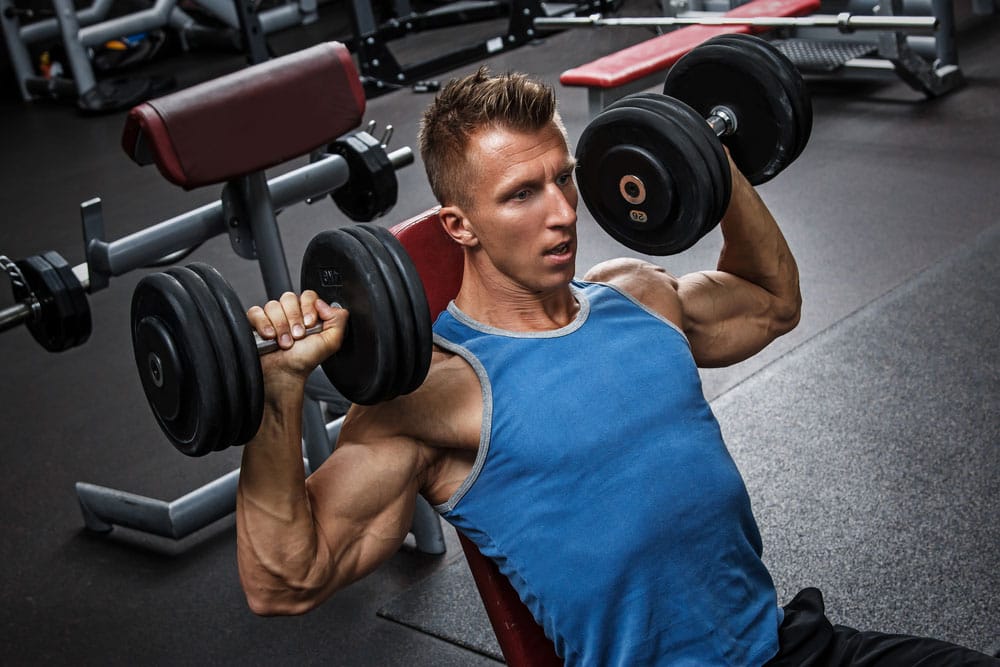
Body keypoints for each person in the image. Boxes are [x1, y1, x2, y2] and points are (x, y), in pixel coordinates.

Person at [235, 67, 999, 666]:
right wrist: (280, 391)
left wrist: (712, 156)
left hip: (787, 646)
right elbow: (285, 577)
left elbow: (771, 300)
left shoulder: (637, 295)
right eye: (522, 194)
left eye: (563, 177)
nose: (563, 212)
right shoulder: (434, 393)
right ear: (458, 224)